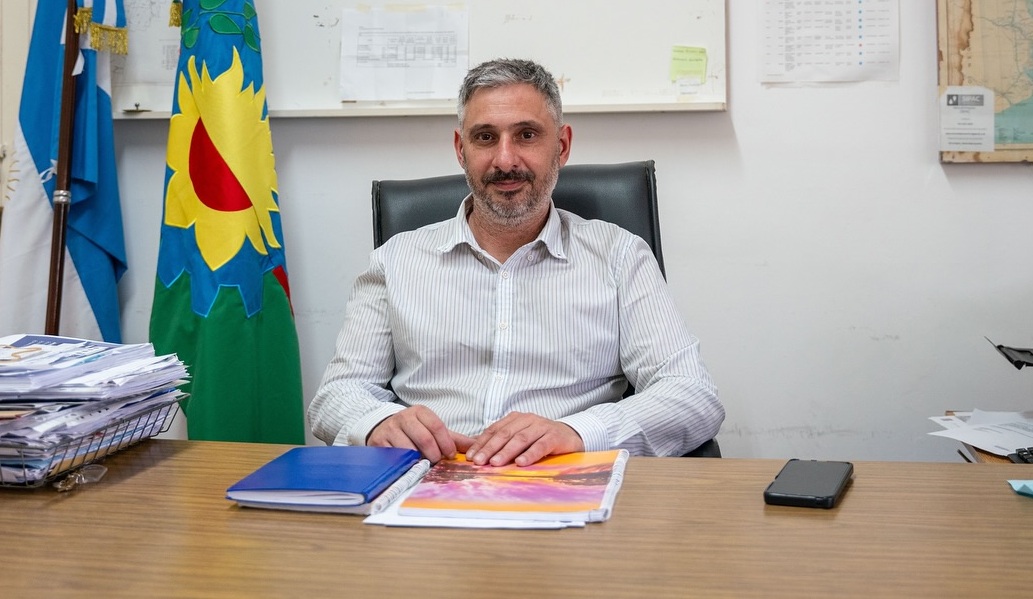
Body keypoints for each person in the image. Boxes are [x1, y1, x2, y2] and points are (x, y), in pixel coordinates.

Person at [308, 58, 723, 466]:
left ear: (561, 146)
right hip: (427, 478)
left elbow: (692, 394)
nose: (505, 160)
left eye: (526, 135)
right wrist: (379, 422)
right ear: (461, 149)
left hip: (561, 483)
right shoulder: (395, 261)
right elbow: (335, 396)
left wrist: (578, 431)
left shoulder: (620, 256)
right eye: (485, 137)